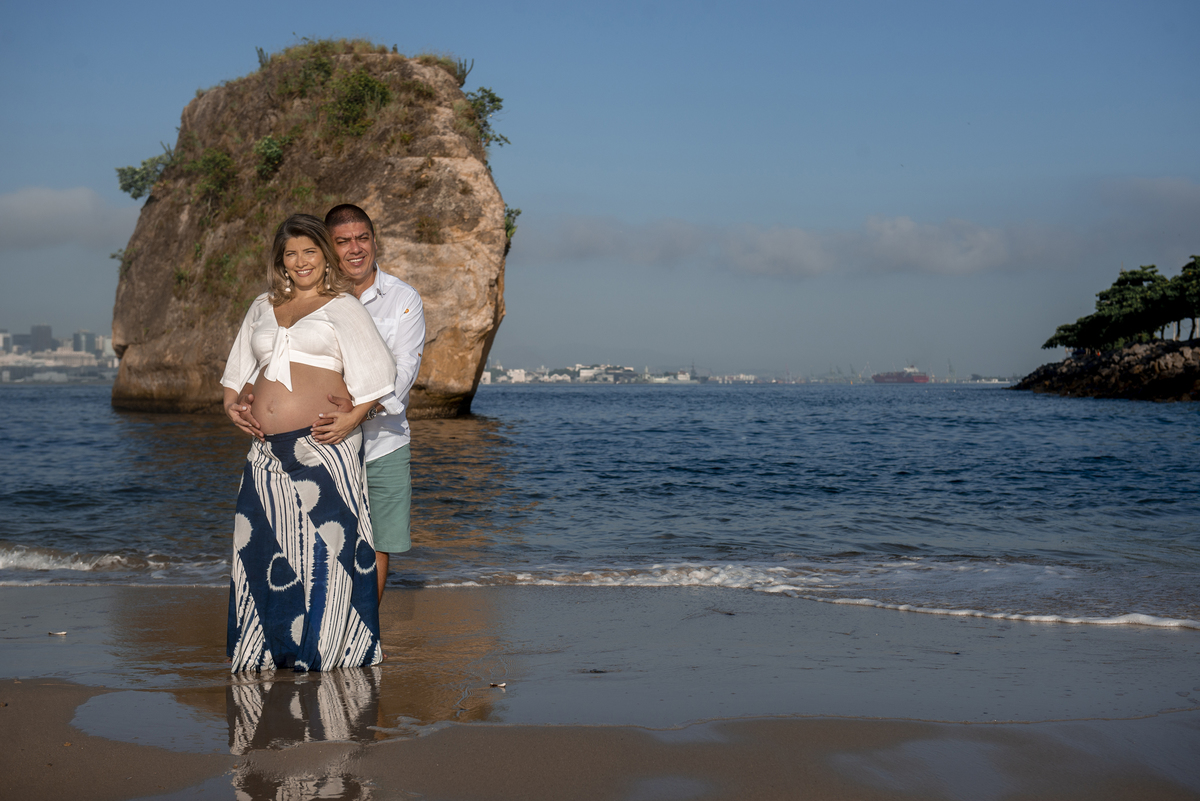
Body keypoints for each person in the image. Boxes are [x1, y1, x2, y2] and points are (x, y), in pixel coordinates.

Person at [221, 213, 397, 672]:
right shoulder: (262, 306)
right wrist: (231, 404)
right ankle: (266, 651)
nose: (301, 262)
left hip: (323, 446)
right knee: (260, 548)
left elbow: (379, 374)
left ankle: (331, 652)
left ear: (325, 256)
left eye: (310, 251)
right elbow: (239, 367)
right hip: (265, 454)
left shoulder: (343, 306)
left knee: (329, 555)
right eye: (291, 253)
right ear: (280, 261)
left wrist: (352, 418)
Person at [310, 204, 425, 604]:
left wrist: (357, 414)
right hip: (324, 438)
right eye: (343, 242)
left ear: (375, 240)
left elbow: (403, 371)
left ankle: (364, 633)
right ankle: (321, 629)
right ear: (329, 247)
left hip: (385, 442)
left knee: (378, 542)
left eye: (363, 238)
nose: (355, 249)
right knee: (319, 536)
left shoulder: (402, 298)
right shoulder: (315, 298)